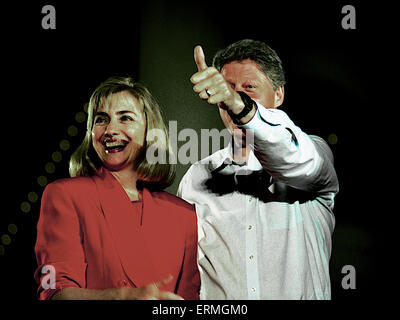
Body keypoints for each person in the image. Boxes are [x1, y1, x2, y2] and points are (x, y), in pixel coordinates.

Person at [177, 39, 339, 299]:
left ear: (279, 94)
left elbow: (289, 154)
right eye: (226, 89)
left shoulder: (314, 154)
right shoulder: (197, 177)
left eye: (249, 88)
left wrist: (241, 105)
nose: (232, 100)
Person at [34, 76, 200, 300]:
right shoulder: (64, 195)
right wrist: (122, 297)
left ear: (150, 131)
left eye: (125, 118)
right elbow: (54, 292)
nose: (110, 129)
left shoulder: (184, 214)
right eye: (101, 119)